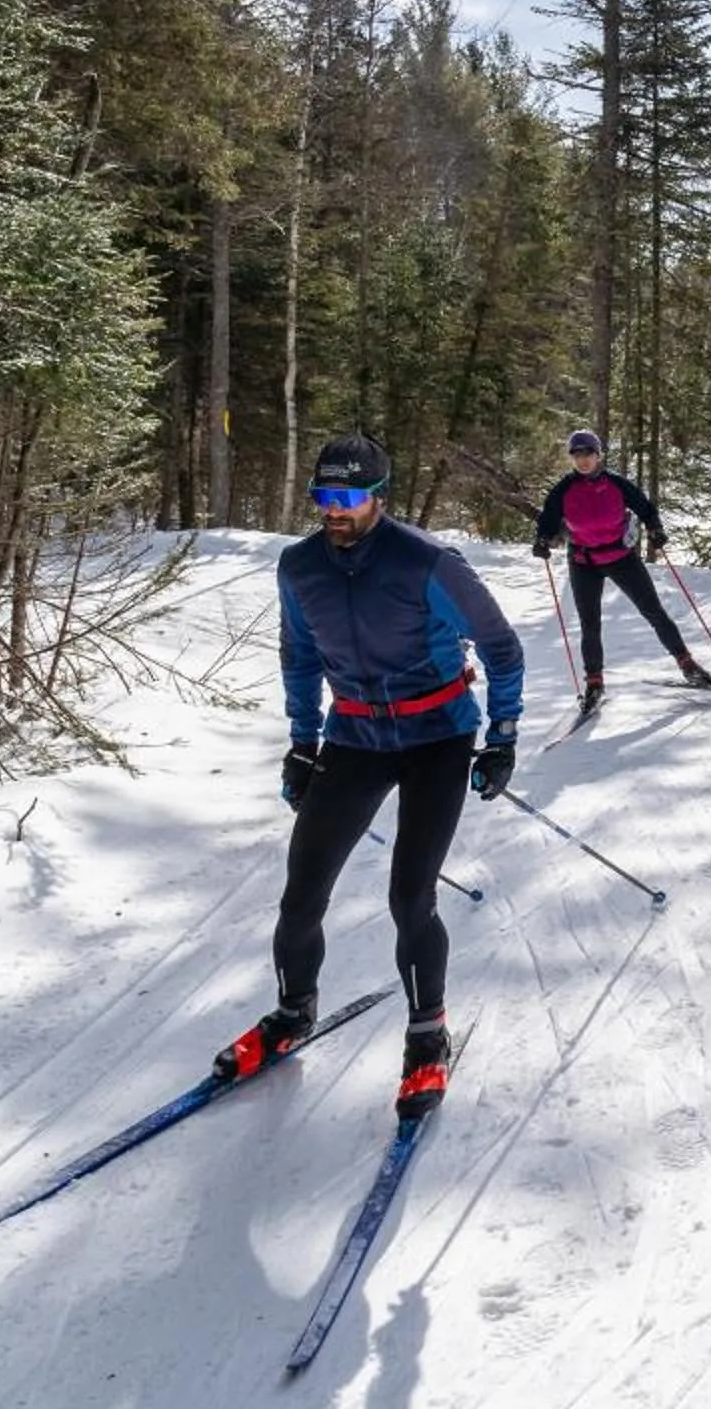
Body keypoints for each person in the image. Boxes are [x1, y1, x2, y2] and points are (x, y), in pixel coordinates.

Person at [216, 433, 524, 1121]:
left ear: (379, 498)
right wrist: (302, 743)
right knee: (301, 895)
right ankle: (294, 1012)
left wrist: (501, 736)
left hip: (437, 737)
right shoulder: (300, 567)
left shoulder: (428, 563)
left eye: (349, 497)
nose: (334, 509)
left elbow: (501, 647)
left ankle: (426, 1035)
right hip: (354, 735)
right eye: (324, 496)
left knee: (410, 896)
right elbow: (298, 655)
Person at [531, 428, 711, 701]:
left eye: (588, 454)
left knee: (653, 611)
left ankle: (687, 664)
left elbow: (645, 507)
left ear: (598, 455)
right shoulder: (563, 490)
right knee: (589, 624)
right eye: (577, 455)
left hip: (621, 558)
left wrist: (655, 529)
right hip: (583, 561)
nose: (583, 460)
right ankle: (594, 682)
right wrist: (542, 540)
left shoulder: (617, 484)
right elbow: (547, 520)